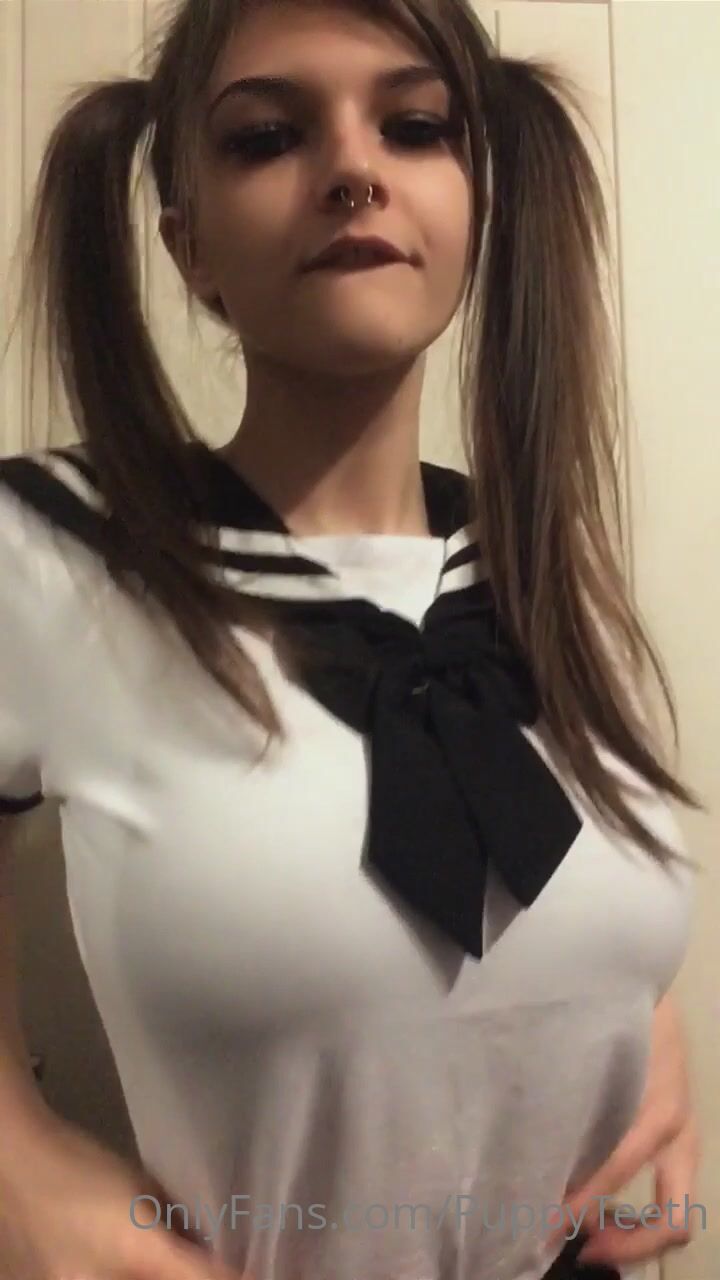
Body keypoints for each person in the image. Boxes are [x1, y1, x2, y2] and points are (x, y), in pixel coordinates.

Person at [0, 2, 705, 1279]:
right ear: (189, 245)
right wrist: (16, 1153)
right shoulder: (51, 552)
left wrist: (633, 996)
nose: (352, 167)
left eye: (416, 125)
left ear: (479, 207)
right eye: (267, 137)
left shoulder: (549, 567)